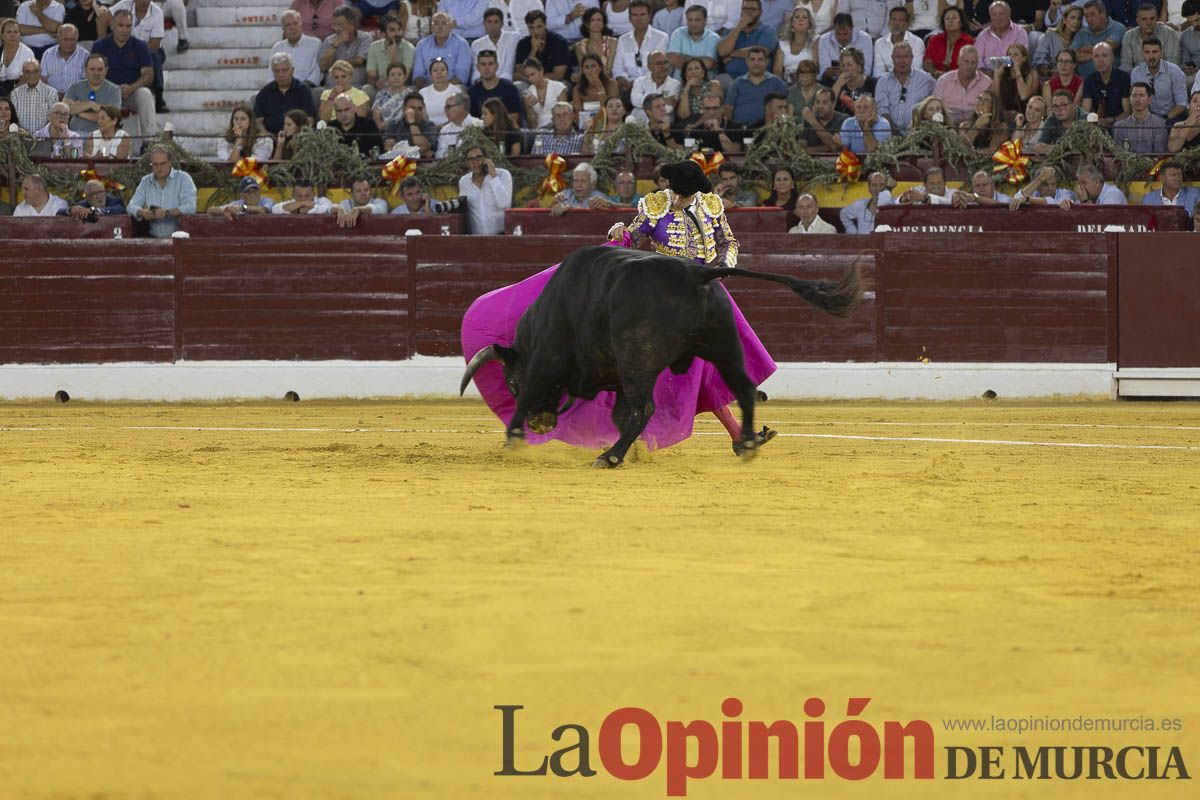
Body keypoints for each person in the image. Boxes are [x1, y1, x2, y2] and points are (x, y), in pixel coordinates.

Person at [460, 160, 778, 455]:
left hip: (705, 288)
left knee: (706, 372)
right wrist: (620, 232)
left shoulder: (710, 205)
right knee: (686, 373)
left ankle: (738, 436)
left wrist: (724, 266)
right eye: (677, 191)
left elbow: (728, 242)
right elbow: (635, 235)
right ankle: (732, 436)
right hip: (663, 294)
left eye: (686, 192)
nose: (680, 197)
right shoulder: (656, 205)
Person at [126, 144, 196, 237]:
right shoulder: (146, 181)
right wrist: (142, 212)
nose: (159, 168)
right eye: (155, 164)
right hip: (153, 240)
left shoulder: (183, 178)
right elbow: (130, 206)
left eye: (162, 164)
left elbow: (190, 207)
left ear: (170, 162)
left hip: (180, 240)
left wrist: (167, 213)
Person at [875, 42, 936, 135]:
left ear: (912, 58)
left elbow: (937, 100)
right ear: (892, 58)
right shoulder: (883, 82)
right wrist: (893, 132)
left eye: (906, 57)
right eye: (898, 57)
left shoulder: (926, 79)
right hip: (889, 133)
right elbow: (882, 110)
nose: (902, 61)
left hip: (918, 133)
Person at [254, 51, 319, 135]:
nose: (281, 74)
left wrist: (300, 137)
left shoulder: (303, 90)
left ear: (292, 70)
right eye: (277, 71)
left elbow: (310, 119)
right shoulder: (264, 93)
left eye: (284, 70)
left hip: (296, 137)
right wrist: (266, 135)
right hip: (270, 139)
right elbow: (258, 121)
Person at [718, 0, 780, 83]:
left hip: (758, 78)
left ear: (760, 13)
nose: (748, 12)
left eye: (753, 9)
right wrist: (739, 27)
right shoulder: (732, 31)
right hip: (730, 78)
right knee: (717, 83)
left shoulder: (768, 31)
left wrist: (732, 54)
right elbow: (722, 51)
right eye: (745, 8)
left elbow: (760, 51)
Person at [457, 142, 512, 233]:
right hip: (477, 239)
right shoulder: (464, 181)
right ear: (467, 163)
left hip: (501, 236)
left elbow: (505, 204)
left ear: (486, 159)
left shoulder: (503, 175)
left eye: (478, 157)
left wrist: (494, 176)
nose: (475, 162)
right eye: (471, 159)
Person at [1130, 37, 1188, 121]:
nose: (1151, 56)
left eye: (1155, 52)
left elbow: (1182, 104)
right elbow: (1135, 102)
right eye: (1147, 52)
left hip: (1172, 117)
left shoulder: (1174, 71)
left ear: (1161, 53)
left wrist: (1164, 120)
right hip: (1147, 119)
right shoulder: (1136, 73)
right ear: (1142, 53)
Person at [933, 44, 993, 123]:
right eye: (966, 62)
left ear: (977, 64)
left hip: (976, 124)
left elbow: (991, 109)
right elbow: (935, 107)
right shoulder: (944, 81)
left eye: (973, 62)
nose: (969, 66)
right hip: (948, 124)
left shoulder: (986, 82)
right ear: (958, 61)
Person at [412, 11, 473, 86]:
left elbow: (461, 76)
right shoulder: (422, 45)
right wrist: (430, 89)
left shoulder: (462, 44)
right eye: (436, 23)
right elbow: (418, 74)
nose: (440, 27)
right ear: (431, 27)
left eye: (444, 23)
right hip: (427, 87)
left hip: (453, 87)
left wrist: (442, 88)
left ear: (451, 27)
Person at [64, 53, 119, 136]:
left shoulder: (114, 90)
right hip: (74, 135)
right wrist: (90, 104)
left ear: (106, 70)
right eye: (92, 69)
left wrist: (78, 112)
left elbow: (109, 118)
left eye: (100, 69)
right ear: (85, 70)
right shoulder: (75, 87)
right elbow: (65, 110)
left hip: (101, 136)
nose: (96, 73)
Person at [318, 5, 372, 88]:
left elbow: (359, 60)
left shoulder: (365, 38)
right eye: (334, 25)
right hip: (332, 87)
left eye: (340, 25)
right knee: (317, 92)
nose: (336, 28)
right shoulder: (329, 40)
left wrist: (335, 65)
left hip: (357, 87)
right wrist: (334, 46)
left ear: (352, 23)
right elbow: (323, 66)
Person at [1071, 0, 1126, 80]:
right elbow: (1072, 55)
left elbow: (1107, 49)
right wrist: (1097, 55)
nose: (1089, 19)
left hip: (1112, 81)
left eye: (1092, 14)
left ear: (1103, 13)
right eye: (1086, 16)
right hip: (1084, 81)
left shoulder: (1117, 28)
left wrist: (1085, 50)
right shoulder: (1081, 32)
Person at [1080, 41, 1130, 128]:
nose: (1100, 60)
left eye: (1104, 55)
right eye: (1096, 56)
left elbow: (1128, 112)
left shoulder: (1124, 78)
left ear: (1112, 58)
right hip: (1097, 126)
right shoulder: (1089, 80)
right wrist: (1095, 123)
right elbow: (1085, 113)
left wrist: (1111, 120)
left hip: (1120, 125)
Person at [515, 9, 573, 81]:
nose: (535, 31)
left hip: (555, 82)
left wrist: (535, 78)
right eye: (531, 28)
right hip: (530, 81)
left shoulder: (559, 42)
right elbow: (519, 71)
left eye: (539, 27)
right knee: (518, 86)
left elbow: (558, 75)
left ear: (545, 25)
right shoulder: (522, 44)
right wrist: (533, 50)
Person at [272, 9, 323, 87]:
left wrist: (301, 88)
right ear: (283, 29)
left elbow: (317, 71)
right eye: (288, 25)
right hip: (282, 88)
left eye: (295, 23)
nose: (292, 28)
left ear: (301, 24)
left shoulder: (315, 44)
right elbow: (271, 74)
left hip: (307, 87)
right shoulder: (277, 48)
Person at [1120, 3, 1179, 70]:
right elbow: (1126, 65)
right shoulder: (1128, 36)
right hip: (1137, 78)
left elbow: (1172, 64)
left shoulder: (1169, 34)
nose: (1148, 23)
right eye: (1144, 19)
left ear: (1157, 19)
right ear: (1137, 20)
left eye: (1152, 19)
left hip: (1165, 77)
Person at [1113, 80, 1167, 151]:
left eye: (1141, 95)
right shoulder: (1120, 126)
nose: (1137, 99)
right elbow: (1118, 155)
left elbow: (1159, 155)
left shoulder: (1159, 124)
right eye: (1134, 95)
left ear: (1149, 100)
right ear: (1130, 99)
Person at [873, 6, 924, 80]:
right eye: (893, 19)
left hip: (911, 83)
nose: (896, 23)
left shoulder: (917, 42)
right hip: (887, 83)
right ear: (889, 22)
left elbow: (915, 71)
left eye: (901, 20)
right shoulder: (879, 43)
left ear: (907, 24)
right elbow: (878, 73)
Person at [367, 13, 416, 90]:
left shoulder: (409, 48)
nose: (397, 33)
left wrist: (393, 58)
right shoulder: (374, 47)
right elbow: (371, 75)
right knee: (367, 88)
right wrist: (377, 82)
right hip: (380, 87)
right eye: (392, 30)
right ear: (383, 34)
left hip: (402, 89)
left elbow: (404, 77)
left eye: (399, 29)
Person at [925, 6, 975, 79]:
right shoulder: (934, 40)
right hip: (936, 79)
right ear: (944, 24)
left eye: (954, 18)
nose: (950, 21)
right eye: (947, 18)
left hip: (961, 80)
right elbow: (927, 63)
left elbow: (972, 66)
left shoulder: (969, 41)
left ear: (961, 23)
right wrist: (935, 72)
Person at [9, 59, 57, 133]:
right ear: (23, 74)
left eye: (35, 71)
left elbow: (54, 119)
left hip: (44, 138)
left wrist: (42, 134)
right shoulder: (15, 94)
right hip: (21, 137)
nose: (32, 76)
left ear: (40, 72)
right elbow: (13, 119)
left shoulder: (51, 93)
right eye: (28, 72)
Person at [39, 22, 87, 95]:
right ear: (58, 38)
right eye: (66, 39)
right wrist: (53, 95)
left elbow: (86, 82)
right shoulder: (48, 54)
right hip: (50, 97)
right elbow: (42, 80)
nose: (70, 43)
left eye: (73, 39)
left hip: (76, 99)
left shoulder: (85, 56)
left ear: (77, 38)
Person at [472, 8, 519, 80]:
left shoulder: (513, 38)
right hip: (484, 83)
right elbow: (476, 73)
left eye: (496, 22)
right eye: (489, 22)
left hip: (505, 83)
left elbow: (508, 70)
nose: (492, 26)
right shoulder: (476, 44)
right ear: (484, 23)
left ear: (502, 24)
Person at [435, 91, 482, 157]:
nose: (445, 111)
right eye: (445, 108)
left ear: (462, 107)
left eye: (448, 107)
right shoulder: (445, 130)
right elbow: (439, 155)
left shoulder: (479, 125)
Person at [1009, 164, 1077, 208]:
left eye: (1053, 184)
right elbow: (1017, 198)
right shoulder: (1035, 193)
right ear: (1038, 186)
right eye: (1045, 185)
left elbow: (1054, 204)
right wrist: (1040, 179)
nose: (1050, 188)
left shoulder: (1066, 193)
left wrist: (1028, 199)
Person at [208, 176, 274, 218]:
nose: (252, 195)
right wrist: (224, 211)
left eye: (255, 191)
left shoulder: (267, 201)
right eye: (248, 192)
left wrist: (242, 208)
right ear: (242, 195)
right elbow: (210, 210)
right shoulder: (238, 203)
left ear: (259, 192)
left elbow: (262, 210)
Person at [61, 178, 125, 220]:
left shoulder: (114, 201)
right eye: (94, 193)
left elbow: (120, 209)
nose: (99, 196)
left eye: (101, 192)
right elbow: (59, 212)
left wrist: (95, 211)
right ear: (87, 198)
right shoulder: (82, 205)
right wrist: (70, 210)